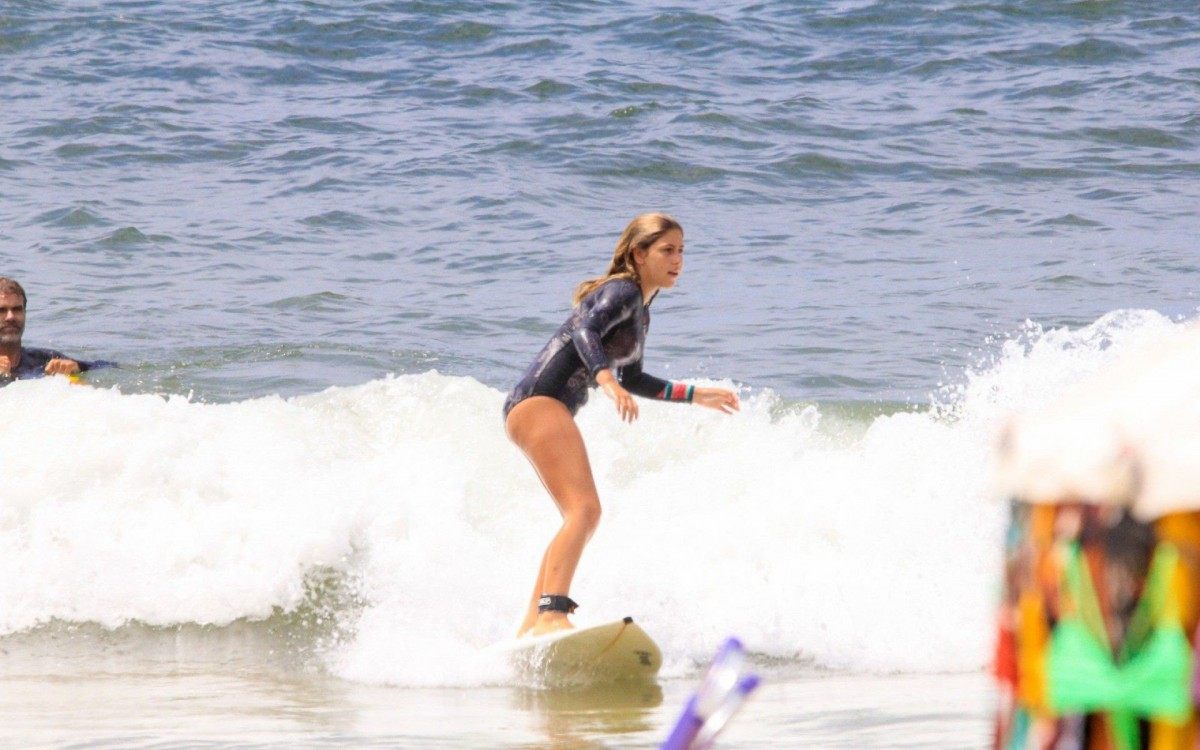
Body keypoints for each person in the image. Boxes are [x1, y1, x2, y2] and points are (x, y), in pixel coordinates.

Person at [503, 213, 740, 638]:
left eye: (682, 250)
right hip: (540, 402)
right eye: (667, 250)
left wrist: (695, 395)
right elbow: (584, 332)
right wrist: (604, 378)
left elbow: (634, 378)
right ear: (638, 253)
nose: (678, 259)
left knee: (576, 517)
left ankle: (530, 625)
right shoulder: (622, 292)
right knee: (586, 511)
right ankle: (552, 614)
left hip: (535, 407)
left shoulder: (641, 312)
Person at [0, 277, 92, 385]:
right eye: (1, 310)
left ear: (25, 313)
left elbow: (105, 367)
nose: (10, 317)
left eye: (17, 309)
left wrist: (75, 372)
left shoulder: (45, 360)